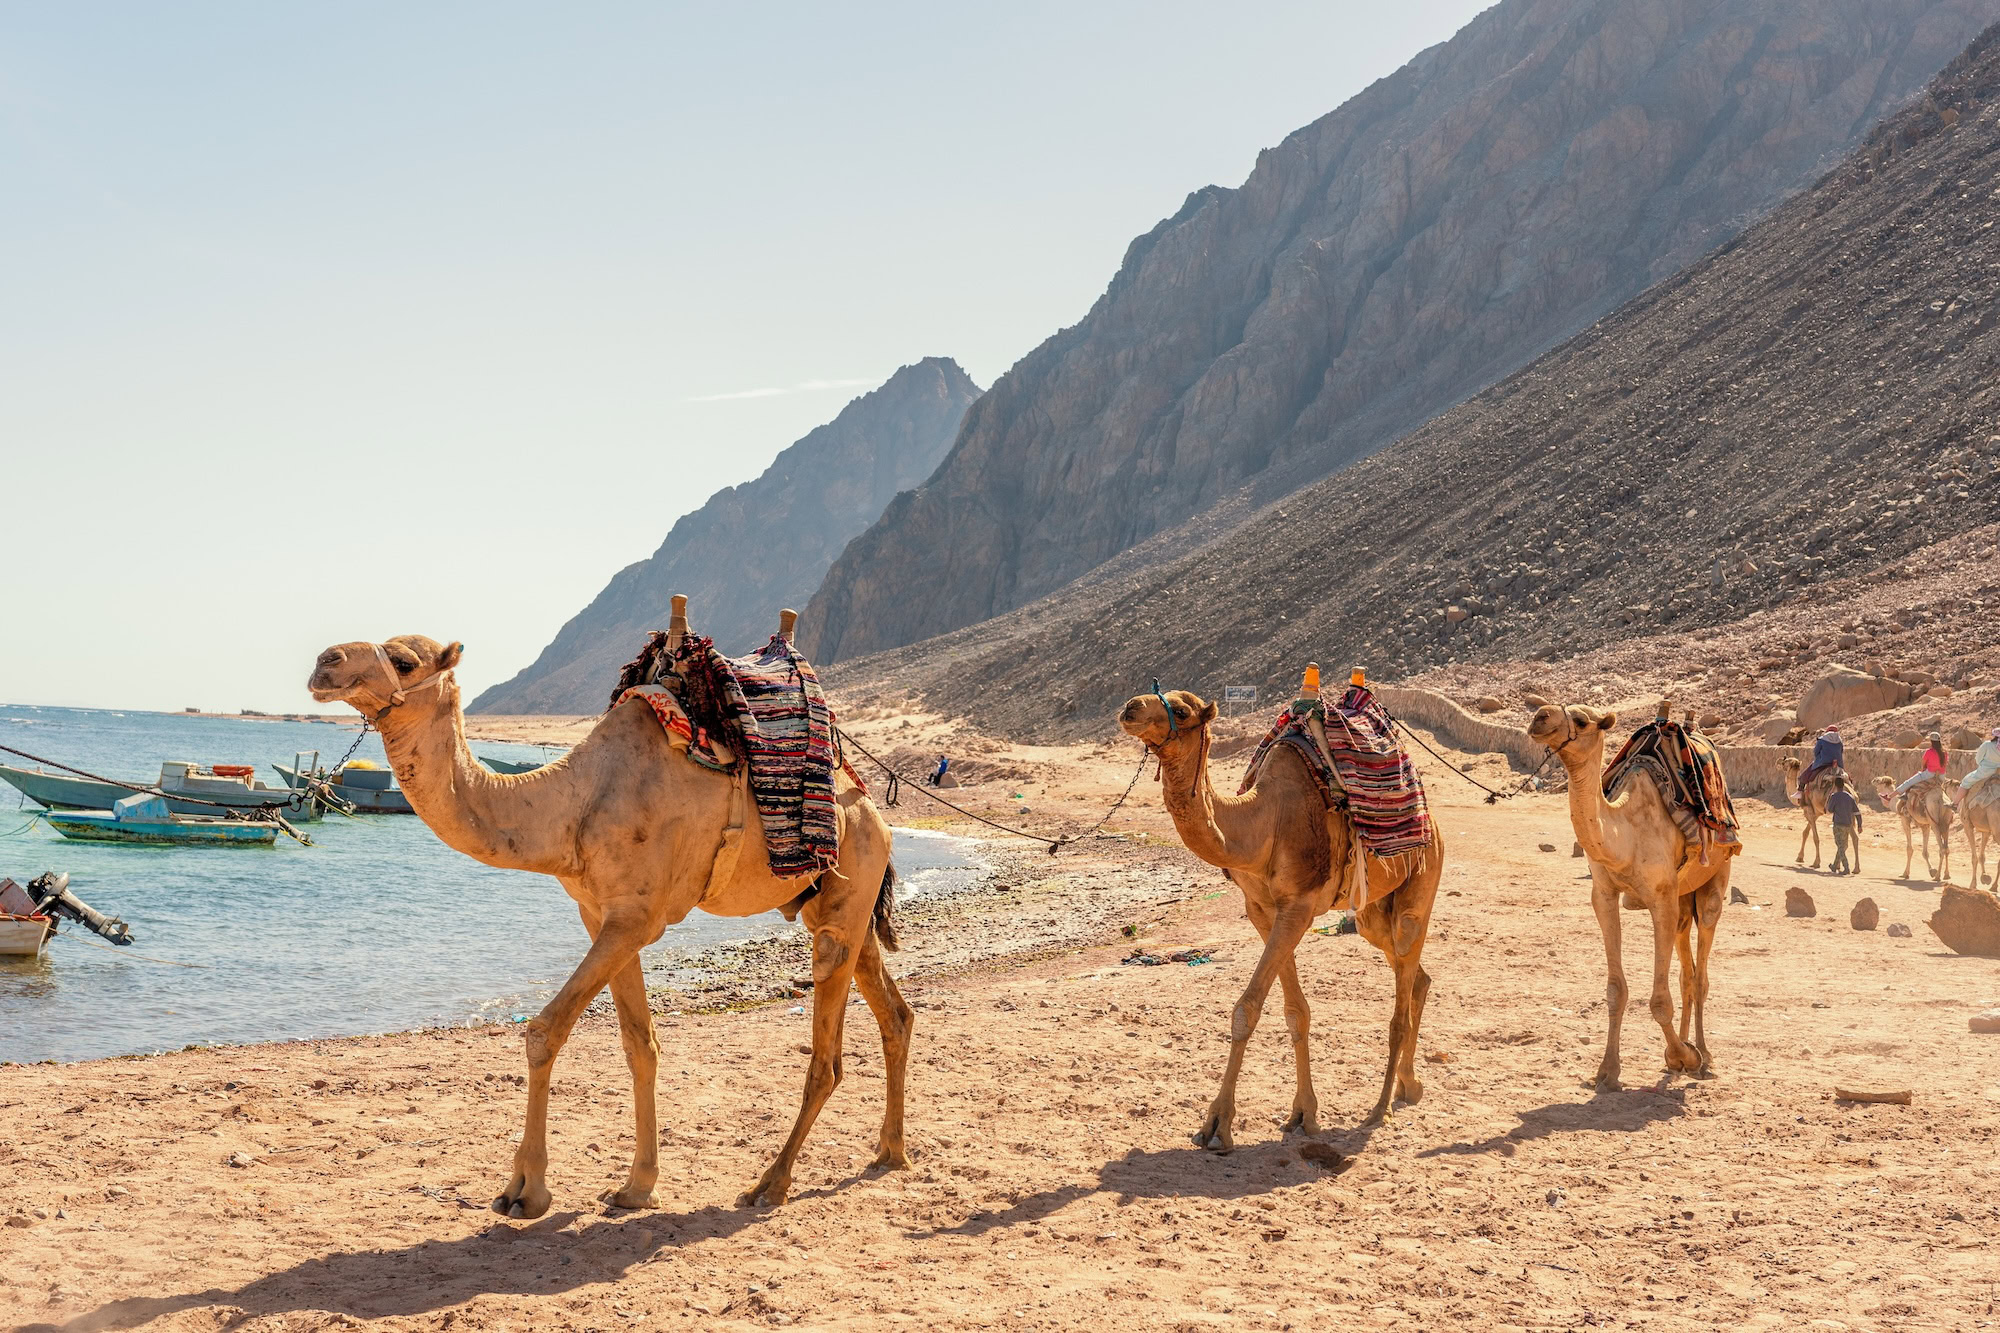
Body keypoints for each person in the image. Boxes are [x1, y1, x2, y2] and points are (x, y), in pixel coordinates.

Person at [1893, 731, 1949, 799]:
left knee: (1908, 782)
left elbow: (1923, 763)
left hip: (1929, 774)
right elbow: (1945, 764)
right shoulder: (1945, 752)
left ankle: (1891, 796)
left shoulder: (1929, 751)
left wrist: (1923, 770)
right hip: (1941, 776)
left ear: (1931, 741)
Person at [1796, 723, 1844, 802]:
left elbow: (1816, 752)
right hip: (1838, 763)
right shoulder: (1840, 740)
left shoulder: (1822, 739)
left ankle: (1800, 791)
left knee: (1807, 774)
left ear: (1827, 731)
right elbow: (1841, 751)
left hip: (1823, 763)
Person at [1827, 775, 1863, 875]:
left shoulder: (1834, 797)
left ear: (1835, 785)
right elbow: (1857, 812)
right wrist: (1859, 825)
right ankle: (1834, 866)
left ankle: (1846, 867)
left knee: (1840, 846)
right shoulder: (1850, 797)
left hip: (1838, 824)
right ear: (1844, 785)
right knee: (1843, 845)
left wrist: (1830, 800)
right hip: (1847, 824)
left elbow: (1829, 810)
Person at [1962, 727, 2000, 799]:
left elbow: (1978, 759)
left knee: (1965, 781)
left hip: (1985, 772)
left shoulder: (1987, 745)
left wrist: (1982, 765)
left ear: (1994, 735)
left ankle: (1955, 803)